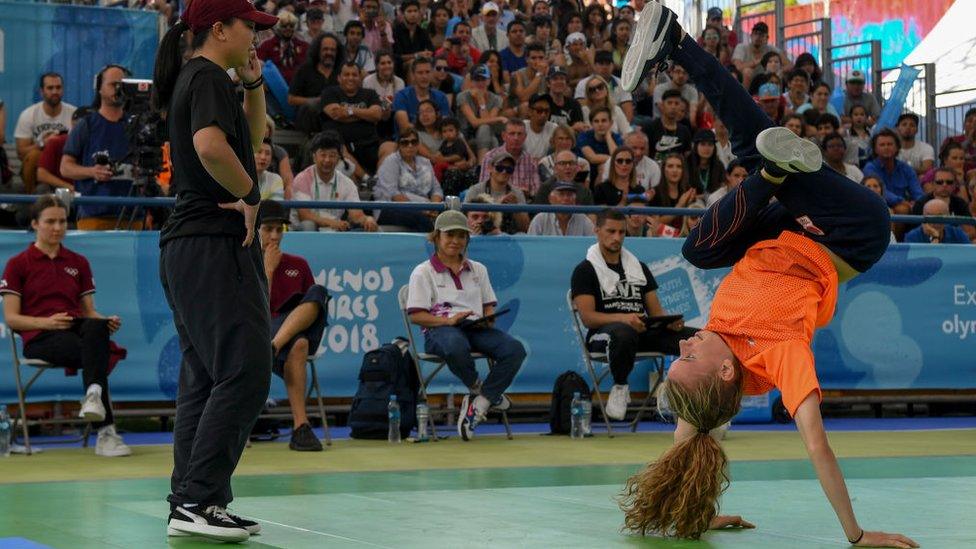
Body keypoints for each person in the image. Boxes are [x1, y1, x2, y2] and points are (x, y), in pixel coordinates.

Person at [619, 6, 919, 546]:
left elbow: (687, 445)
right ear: (728, 375)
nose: (684, 341)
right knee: (758, 154)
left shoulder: (711, 364)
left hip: (781, 227)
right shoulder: (781, 355)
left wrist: (697, 510)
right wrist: (855, 534)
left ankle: (676, 45)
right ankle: (777, 170)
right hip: (850, 234)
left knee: (700, 245)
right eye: (688, 356)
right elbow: (816, 445)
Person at [152, 0, 278, 541]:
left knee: (205, 379)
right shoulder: (203, 77)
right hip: (210, 242)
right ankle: (197, 498)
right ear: (220, 28)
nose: (256, 35)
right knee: (247, 370)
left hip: (193, 246)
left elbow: (249, 144)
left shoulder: (207, 79)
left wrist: (252, 85)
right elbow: (209, 148)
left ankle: (193, 499)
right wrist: (250, 195)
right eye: (249, 25)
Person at [1, 195, 130, 458]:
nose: (58, 227)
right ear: (35, 224)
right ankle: (106, 433)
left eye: (62, 221)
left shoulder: (78, 261)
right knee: (96, 348)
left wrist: (106, 321)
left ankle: (93, 395)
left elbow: (89, 312)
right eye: (50, 221)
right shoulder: (18, 264)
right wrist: (46, 323)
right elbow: (12, 318)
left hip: (76, 329)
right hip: (40, 337)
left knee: (97, 328)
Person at [406, 210, 526, 440]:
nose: (455, 241)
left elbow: (488, 304)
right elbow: (417, 316)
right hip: (439, 330)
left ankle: (480, 403)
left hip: (476, 328)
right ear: (436, 237)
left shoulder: (478, 269)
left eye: (461, 236)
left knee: (515, 350)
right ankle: (482, 390)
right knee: (454, 345)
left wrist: (489, 318)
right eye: (450, 235)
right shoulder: (422, 272)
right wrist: (448, 321)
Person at [571, 208, 696, 418]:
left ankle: (704, 401)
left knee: (698, 339)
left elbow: (656, 312)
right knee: (623, 333)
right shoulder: (585, 270)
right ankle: (620, 387)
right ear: (597, 230)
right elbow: (588, 318)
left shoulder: (638, 267)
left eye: (621, 232)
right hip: (604, 336)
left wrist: (669, 323)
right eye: (611, 231)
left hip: (642, 332)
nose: (617, 237)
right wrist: (623, 318)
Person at [257, 200, 331, 451]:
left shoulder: (298, 264)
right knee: (298, 343)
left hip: (283, 337)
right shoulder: (245, 263)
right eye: (268, 229)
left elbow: (311, 306)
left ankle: (272, 347)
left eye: (280, 229)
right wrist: (268, 269)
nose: (275, 236)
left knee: (318, 293)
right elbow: (256, 312)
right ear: (255, 229)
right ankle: (301, 426)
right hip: (258, 329)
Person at [292, 133, 378, 232]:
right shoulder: (302, 179)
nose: (327, 160)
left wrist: (367, 219)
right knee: (308, 225)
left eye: (332, 155)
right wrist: (331, 223)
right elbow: (305, 216)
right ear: (314, 157)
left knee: (370, 227)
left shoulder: (347, 183)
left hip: (334, 230)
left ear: (338, 159)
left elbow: (356, 215)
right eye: (323, 155)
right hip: (304, 230)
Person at [14, 73, 77, 194]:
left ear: (63, 90)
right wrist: (43, 143)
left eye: (58, 87)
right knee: (32, 157)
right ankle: (31, 199)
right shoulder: (28, 115)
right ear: (41, 91)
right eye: (50, 88)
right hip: (39, 164)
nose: (55, 91)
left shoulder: (74, 114)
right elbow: (21, 153)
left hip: (65, 160)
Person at [374, 127, 444, 231]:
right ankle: (433, 245)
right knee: (420, 218)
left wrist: (434, 207)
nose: (410, 146)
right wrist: (422, 209)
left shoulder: (425, 162)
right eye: (405, 143)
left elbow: (436, 189)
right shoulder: (391, 161)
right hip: (391, 207)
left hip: (425, 206)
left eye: (413, 142)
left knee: (449, 214)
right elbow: (393, 194)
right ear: (398, 145)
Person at [320, 61, 384, 173]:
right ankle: (366, 178)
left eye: (354, 75)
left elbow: (377, 114)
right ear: (339, 78)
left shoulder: (370, 93)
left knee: (390, 147)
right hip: (343, 149)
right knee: (336, 149)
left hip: (370, 146)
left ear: (360, 78)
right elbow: (337, 114)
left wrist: (350, 111)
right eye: (346, 75)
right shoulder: (329, 92)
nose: (351, 78)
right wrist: (366, 114)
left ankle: (378, 180)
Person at [463, 152, 530, 233]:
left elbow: (525, 227)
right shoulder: (475, 190)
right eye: (499, 168)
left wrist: (516, 209)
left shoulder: (517, 193)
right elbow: (464, 220)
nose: (504, 172)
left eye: (509, 169)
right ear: (490, 168)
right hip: (481, 234)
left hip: (510, 238)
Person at [862, 128, 923, 215]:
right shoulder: (870, 168)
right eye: (882, 145)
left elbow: (917, 192)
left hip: (904, 207)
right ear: (875, 149)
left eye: (890, 144)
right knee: (901, 209)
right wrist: (901, 201)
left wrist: (917, 204)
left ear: (897, 147)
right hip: (877, 206)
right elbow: (881, 192)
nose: (886, 147)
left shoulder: (906, 168)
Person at [478, 118, 541, 196]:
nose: (516, 138)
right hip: (496, 204)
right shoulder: (490, 157)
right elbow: (482, 190)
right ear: (504, 136)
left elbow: (536, 191)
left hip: (523, 205)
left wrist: (526, 193)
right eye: (512, 133)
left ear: (525, 137)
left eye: (519, 134)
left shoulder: (530, 161)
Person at [909, 167, 974, 241]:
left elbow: (971, 231)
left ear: (955, 185)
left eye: (949, 182)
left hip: (954, 242)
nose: (944, 185)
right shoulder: (921, 203)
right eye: (939, 182)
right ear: (933, 184)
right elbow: (916, 232)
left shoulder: (960, 203)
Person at [456, 64, 506, 158]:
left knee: (487, 131)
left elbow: (487, 122)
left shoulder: (496, 99)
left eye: (483, 79)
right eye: (477, 80)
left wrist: (481, 101)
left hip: (486, 137)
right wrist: (498, 118)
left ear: (489, 81)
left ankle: (482, 168)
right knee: (491, 137)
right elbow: (474, 122)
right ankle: (483, 169)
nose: (480, 83)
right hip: (465, 138)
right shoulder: (462, 96)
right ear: (471, 81)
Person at [288, 33, 343, 108]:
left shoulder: (342, 71)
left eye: (332, 50)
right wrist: (316, 101)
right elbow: (291, 99)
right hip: (310, 115)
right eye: (325, 49)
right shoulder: (304, 70)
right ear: (318, 50)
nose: (329, 53)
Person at [256, 11, 309, 83]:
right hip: (274, 87)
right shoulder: (267, 45)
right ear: (278, 27)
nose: (288, 28)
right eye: (284, 26)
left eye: (291, 25)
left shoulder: (303, 46)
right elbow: (258, 66)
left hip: (299, 87)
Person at [527, 181, 595, 235]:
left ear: (575, 200)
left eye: (569, 195)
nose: (566, 198)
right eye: (561, 194)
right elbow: (529, 247)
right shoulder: (540, 219)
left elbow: (594, 245)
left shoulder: (583, 220)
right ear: (550, 199)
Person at [645, 89, 692, 161]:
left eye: (677, 103)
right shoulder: (650, 127)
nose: (673, 107)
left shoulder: (685, 131)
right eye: (669, 103)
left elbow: (688, 157)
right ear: (663, 105)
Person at [904, 199, 970, 244]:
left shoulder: (957, 233)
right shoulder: (912, 237)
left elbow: (968, 256)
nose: (934, 222)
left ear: (947, 217)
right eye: (930, 217)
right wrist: (935, 237)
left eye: (939, 217)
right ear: (923, 217)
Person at [393, 0, 434, 71]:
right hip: (400, 67)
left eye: (415, 11)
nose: (413, 14)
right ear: (403, 14)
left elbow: (430, 50)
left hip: (420, 66)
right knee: (413, 63)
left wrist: (427, 54)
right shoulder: (396, 31)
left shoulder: (423, 32)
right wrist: (417, 55)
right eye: (409, 11)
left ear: (419, 13)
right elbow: (397, 57)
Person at [896, 113, 935, 177]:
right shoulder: (891, 147)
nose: (908, 127)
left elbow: (927, 169)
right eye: (904, 124)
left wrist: (903, 169)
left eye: (912, 125)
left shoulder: (926, 148)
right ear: (898, 128)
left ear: (916, 130)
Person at [523, 93, 558, 159]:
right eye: (539, 110)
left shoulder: (554, 128)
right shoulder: (522, 127)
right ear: (530, 111)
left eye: (546, 111)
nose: (543, 115)